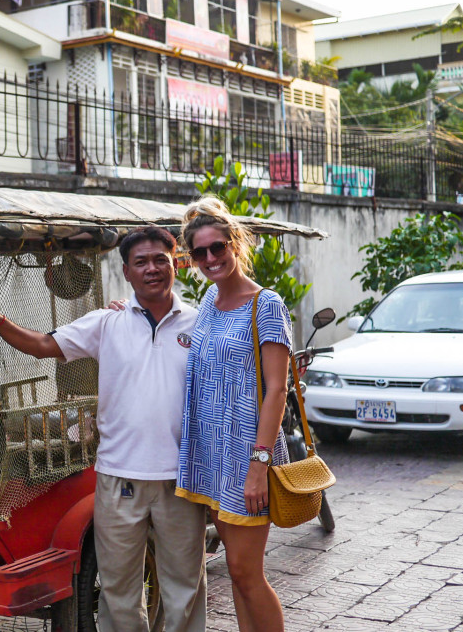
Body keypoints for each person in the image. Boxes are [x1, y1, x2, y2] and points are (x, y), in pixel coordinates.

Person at [0, 226, 206, 632]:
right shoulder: (106, 323)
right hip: (118, 479)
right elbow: (45, 344)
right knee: (118, 590)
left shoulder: (201, 324)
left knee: (184, 587)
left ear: (175, 264)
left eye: (160, 260)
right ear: (127, 272)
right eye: (141, 262)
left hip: (181, 479)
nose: (152, 269)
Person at [176, 196, 292, 632]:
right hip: (212, 456)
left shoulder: (267, 305)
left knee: (245, 572)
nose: (210, 258)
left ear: (235, 245)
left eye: (218, 247)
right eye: (200, 252)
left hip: (248, 456)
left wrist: (258, 467)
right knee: (239, 578)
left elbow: (277, 389)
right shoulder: (207, 300)